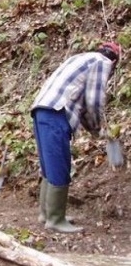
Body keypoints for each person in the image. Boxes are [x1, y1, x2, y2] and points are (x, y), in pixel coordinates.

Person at [31, 42, 121, 233]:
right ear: (114, 61)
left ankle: (46, 213)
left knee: (49, 163)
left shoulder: (80, 58)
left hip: (41, 108)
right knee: (59, 164)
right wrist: (97, 129)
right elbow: (94, 102)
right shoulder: (102, 63)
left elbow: (81, 101)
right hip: (56, 112)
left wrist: (94, 130)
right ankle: (55, 220)